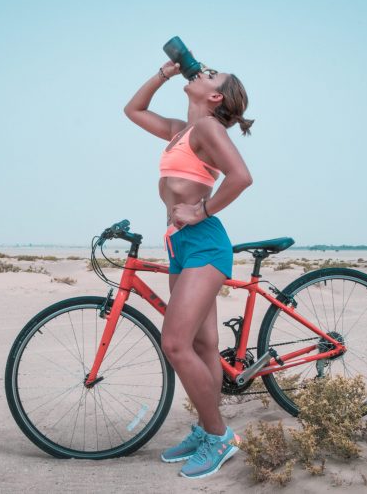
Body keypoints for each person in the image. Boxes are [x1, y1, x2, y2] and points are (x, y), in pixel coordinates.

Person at [124, 59, 254, 479]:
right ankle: (205, 429)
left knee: (175, 344)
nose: (203, 72)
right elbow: (134, 111)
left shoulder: (208, 130)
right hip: (179, 246)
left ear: (215, 96)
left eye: (211, 75)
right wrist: (163, 74)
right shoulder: (183, 130)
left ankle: (220, 436)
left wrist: (202, 210)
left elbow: (241, 177)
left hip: (203, 245)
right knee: (202, 346)